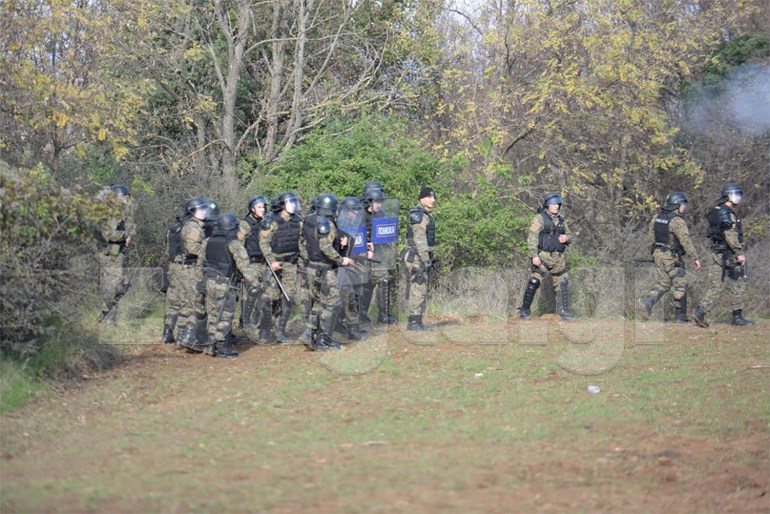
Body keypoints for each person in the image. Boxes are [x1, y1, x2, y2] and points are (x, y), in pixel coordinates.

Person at [693, 182, 754, 327]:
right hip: (729, 254)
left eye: (739, 194)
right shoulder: (726, 211)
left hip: (717, 253)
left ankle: (700, 312)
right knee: (738, 283)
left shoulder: (715, 210)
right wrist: (739, 253)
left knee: (717, 285)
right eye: (736, 194)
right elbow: (730, 235)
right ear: (728, 196)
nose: (739, 197)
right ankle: (737, 317)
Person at [636, 192, 702, 322]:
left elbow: (651, 238)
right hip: (671, 257)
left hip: (657, 254)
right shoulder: (677, 221)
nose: (684, 207)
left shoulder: (656, 217)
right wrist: (695, 258)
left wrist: (656, 255)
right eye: (683, 205)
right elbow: (685, 241)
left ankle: (647, 302)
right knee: (681, 283)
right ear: (677, 205)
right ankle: (680, 317)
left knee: (663, 283)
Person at [203, 213, 261, 357]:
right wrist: (255, 283)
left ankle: (211, 344)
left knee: (213, 313)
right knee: (225, 315)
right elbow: (245, 267)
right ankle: (223, 348)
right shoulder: (234, 244)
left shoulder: (208, 241)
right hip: (225, 282)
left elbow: (202, 260)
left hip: (210, 281)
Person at [301, 193, 354, 350]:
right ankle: (325, 339)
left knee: (318, 302)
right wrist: (340, 259)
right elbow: (325, 246)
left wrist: (339, 243)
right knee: (333, 303)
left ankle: (309, 333)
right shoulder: (327, 224)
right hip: (324, 268)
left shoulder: (309, 219)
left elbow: (306, 242)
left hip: (311, 266)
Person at [518, 193, 575, 321]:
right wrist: (534, 255)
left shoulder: (561, 220)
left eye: (558, 204)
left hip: (558, 257)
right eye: (554, 204)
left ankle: (563, 311)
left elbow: (570, 235)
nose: (557, 206)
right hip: (543, 255)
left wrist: (566, 238)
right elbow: (532, 237)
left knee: (563, 282)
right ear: (548, 205)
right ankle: (525, 310)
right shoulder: (540, 218)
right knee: (534, 281)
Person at [257, 192, 303, 343]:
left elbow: (302, 242)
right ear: (282, 205)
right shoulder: (271, 221)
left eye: (294, 202)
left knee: (288, 297)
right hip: (274, 263)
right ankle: (264, 329)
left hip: (291, 263)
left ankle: (280, 330)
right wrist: (271, 261)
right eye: (290, 203)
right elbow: (263, 243)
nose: (293, 205)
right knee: (271, 298)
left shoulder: (298, 220)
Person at [161, 197, 203, 344]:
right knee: (190, 300)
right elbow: (193, 248)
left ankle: (167, 333)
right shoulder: (192, 226)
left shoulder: (174, 227)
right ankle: (186, 336)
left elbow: (167, 251)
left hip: (173, 266)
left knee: (173, 300)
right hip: (187, 267)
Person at [96, 184, 136, 322]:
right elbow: (109, 234)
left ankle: (107, 314)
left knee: (118, 284)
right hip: (110, 253)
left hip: (116, 252)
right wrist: (126, 235)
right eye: (125, 198)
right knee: (113, 285)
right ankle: (108, 315)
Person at [358, 184, 397, 325]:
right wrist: (365, 246)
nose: (380, 205)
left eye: (381, 202)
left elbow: (383, 233)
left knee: (384, 281)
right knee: (365, 285)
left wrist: (383, 242)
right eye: (377, 202)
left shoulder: (381, 214)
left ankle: (384, 314)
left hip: (377, 255)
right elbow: (351, 236)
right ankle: (361, 314)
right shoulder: (359, 214)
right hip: (360, 256)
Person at [175, 197, 210, 351]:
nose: (204, 211)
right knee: (196, 302)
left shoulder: (192, 225)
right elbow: (192, 248)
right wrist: (208, 251)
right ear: (192, 212)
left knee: (187, 302)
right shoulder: (193, 227)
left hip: (186, 268)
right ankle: (191, 339)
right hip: (192, 268)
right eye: (200, 209)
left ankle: (184, 338)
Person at [404, 186, 437, 331]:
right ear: (421, 198)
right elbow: (419, 240)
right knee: (418, 288)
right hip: (417, 258)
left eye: (434, 197)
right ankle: (413, 322)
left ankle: (417, 321)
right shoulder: (418, 215)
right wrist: (425, 259)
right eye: (429, 197)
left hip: (421, 257)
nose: (433, 200)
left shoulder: (425, 214)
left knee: (420, 289)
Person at [337, 196, 367, 340]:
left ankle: (351, 325)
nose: (356, 213)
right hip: (338, 267)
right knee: (349, 296)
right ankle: (351, 328)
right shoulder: (337, 225)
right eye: (353, 210)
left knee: (356, 295)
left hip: (351, 265)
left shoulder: (354, 225)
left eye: (357, 210)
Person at [240, 195, 268, 334]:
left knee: (264, 293)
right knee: (250, 293)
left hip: (264, 263)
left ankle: (258, 321)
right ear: (252, 209)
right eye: (259, 207)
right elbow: (238, 245)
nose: (262, 210)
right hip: (250, 262)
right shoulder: (245, 224)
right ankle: (244, 321)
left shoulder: (265, 222)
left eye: (263, 207)